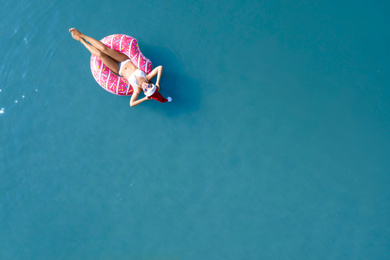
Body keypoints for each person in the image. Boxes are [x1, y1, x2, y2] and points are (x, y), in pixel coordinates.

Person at [69, 28, 171, 107]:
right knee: (104, 49)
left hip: (118, 70)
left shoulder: (137, 90)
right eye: (149, 87)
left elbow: (131, 103)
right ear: (151, 85)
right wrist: (157, 83)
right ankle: (81, 34)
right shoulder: (147, 77)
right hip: (124, 60)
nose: (145, 87)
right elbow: (159, 68)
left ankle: (81, 40)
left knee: (100, 55)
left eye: (146, 90)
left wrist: (145, 98)